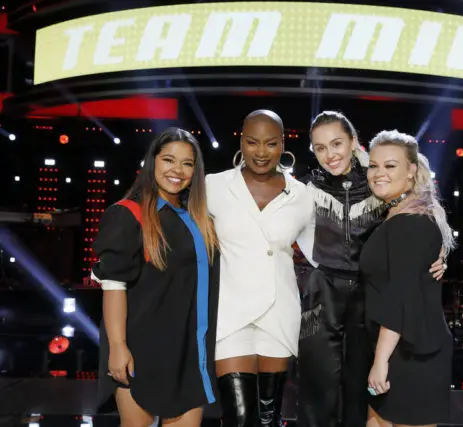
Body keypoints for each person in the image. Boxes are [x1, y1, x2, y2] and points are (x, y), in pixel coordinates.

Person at [296, 111, 447, 427]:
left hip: (371, 296)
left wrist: (441, 253)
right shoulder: (307, 185)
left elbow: (421, 219)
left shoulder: (378, 177)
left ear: (353, 142)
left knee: (361, 386)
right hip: (323, 291)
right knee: (317, 384)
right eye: (320, 147)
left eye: (336, 143)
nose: (330, 154)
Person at [91, 128, 219, 427]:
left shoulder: (200, 219)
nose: (177, 170)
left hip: (190, 351)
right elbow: (113, 286)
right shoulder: (128, 213)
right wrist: (118, 347)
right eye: (169, 160)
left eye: (187, 163)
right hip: (141, 348)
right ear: (152, 162)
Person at [205, 110, 316, 427]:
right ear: (241, 141)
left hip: (278, 312)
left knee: (269, 419)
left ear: (283, 143)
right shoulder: (213, 186)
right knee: (239, 417)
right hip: (230, 315)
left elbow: (326, 252)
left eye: (270, 143)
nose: (261, 152)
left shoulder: (302, 195)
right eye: (252, 142)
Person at [360, 130, 455, 427]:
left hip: (411, 352)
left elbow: (400, 297)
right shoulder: (395, 216)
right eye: (373, 165)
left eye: (390, 166)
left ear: (412, 170)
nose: (378, 173)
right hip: (395, 347)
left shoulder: (412, 222)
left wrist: (380, 361)